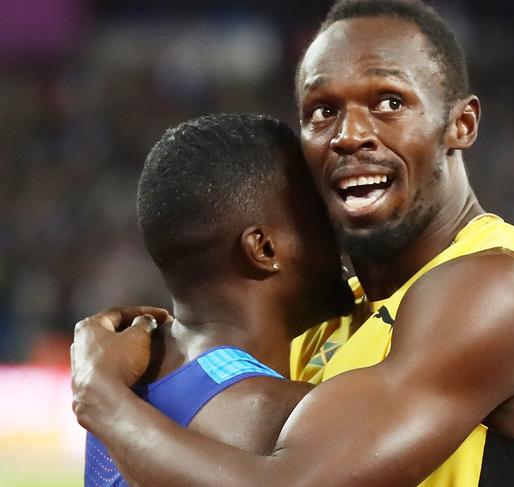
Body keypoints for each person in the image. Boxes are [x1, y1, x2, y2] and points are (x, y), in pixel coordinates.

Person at [71, 1, 514, 485]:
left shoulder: (502, 290)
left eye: (389, 102)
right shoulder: (317, 311)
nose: (349, 134)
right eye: (323, 110)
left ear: (459, 124)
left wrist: (104, 401)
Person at [77, 113, 355, 485]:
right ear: (264, 248)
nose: (340, 226)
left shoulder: (120, 376)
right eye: (318, 213)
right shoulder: (281, 414)